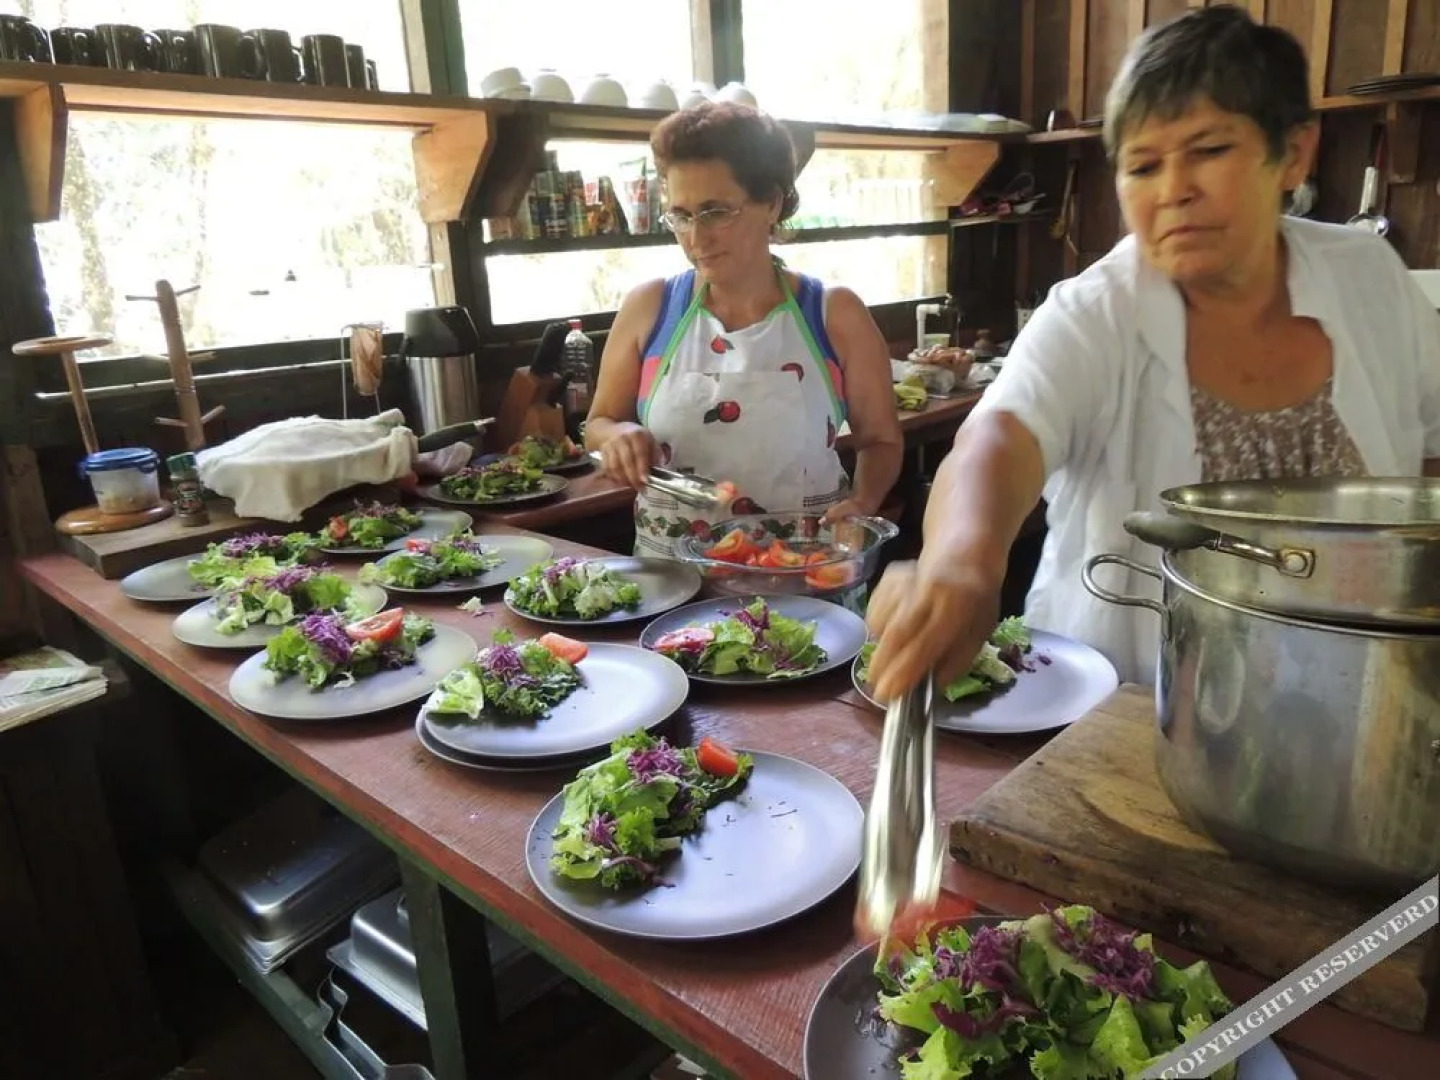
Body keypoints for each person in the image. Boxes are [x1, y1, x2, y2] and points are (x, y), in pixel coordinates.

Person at [864, 4, 1440, 702]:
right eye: (1142, 165)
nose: (1174, 192)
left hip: (1360, 706)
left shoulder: (1370, 278)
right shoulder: (1097, 310)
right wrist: (962, 561)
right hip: (1130, 718)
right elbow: (999, 436)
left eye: (1210, 151)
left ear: (1293, 153)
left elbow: (1428, 463)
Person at [584, 101, 904, 569]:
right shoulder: (650, 310)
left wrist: (863, 501)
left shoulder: (833, 314)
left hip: (804, 577)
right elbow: (598, 424)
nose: (696, 237)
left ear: (771, 202)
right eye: (681, 215)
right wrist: (619, 435)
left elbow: (882, 440)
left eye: (716, 212)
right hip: (672, 588)